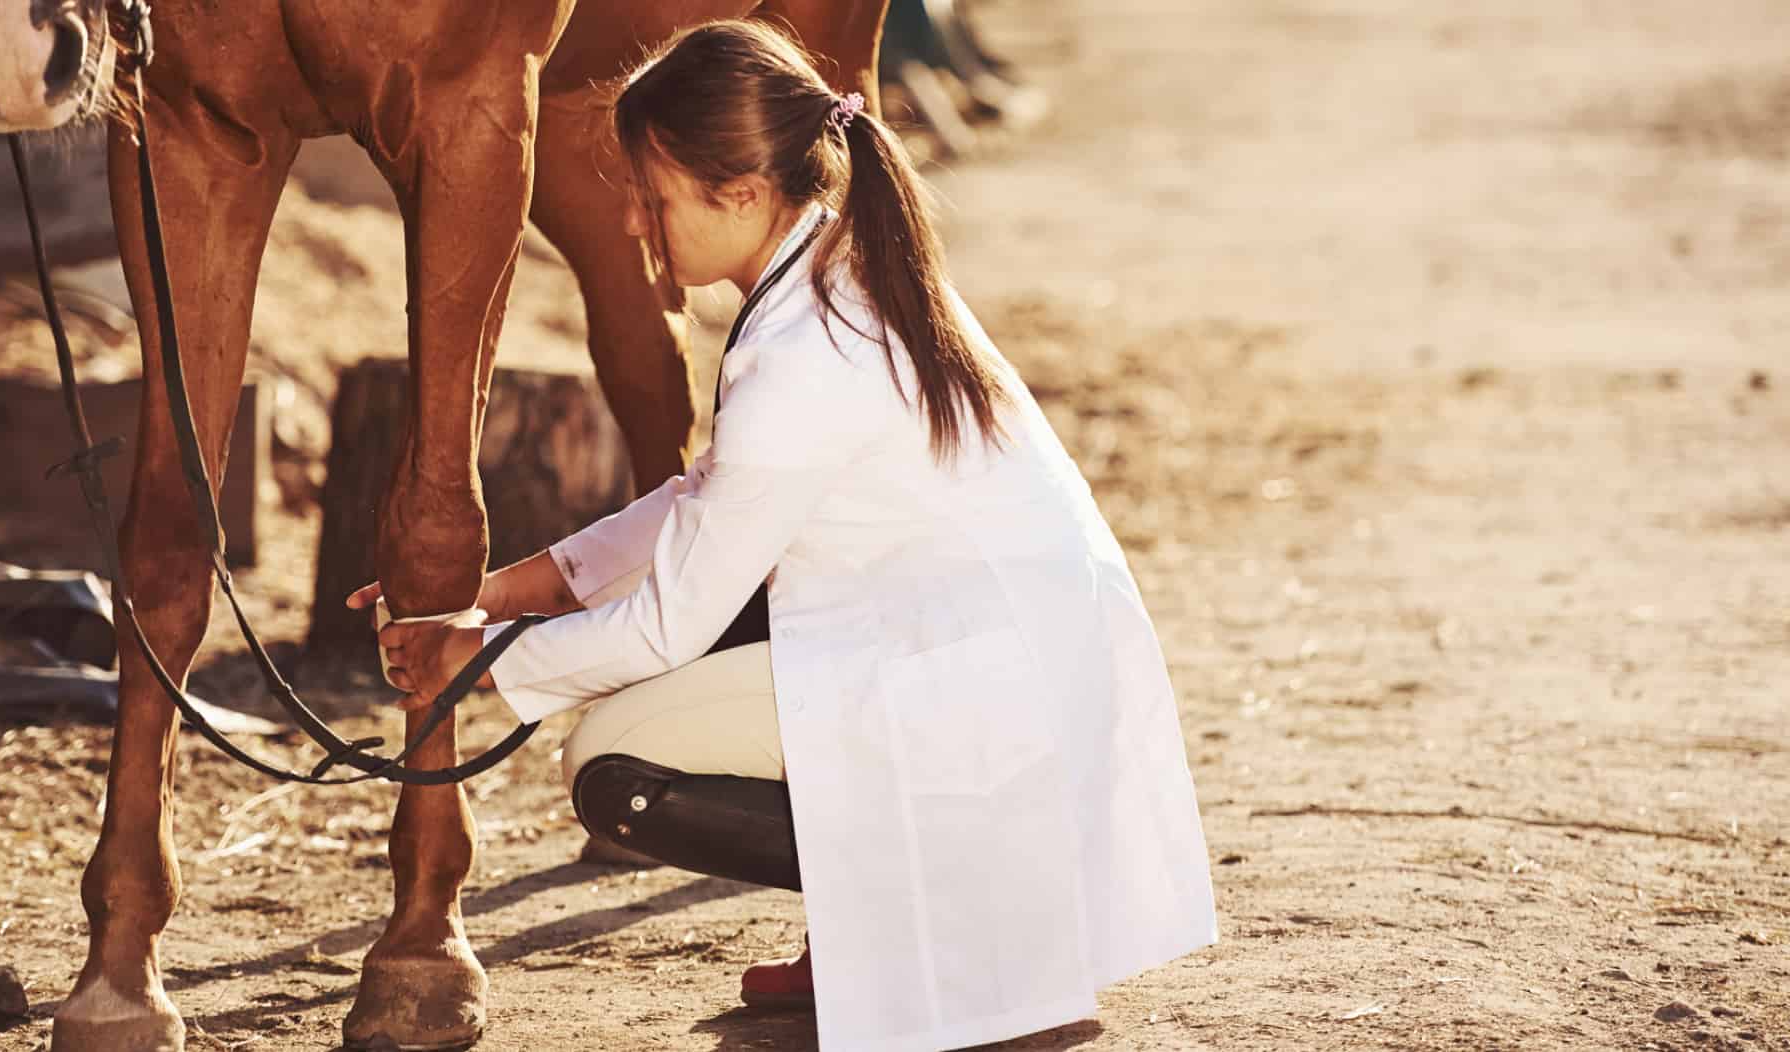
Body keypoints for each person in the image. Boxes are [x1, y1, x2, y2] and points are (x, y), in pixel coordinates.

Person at [357, 19, 1216, 1051]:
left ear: (742, 193)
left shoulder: (802, 351)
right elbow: (703, 496)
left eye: (651, 193)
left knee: (612, 763)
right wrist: (497, 593)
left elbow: (666, 625)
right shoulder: (840, 273)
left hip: (978, 686)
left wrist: (471, 662)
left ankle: (925, 910)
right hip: (999, 662)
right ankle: (901, 925)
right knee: (660, 712)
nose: (631, 221)